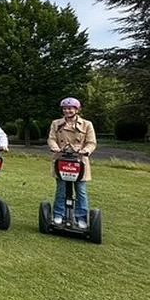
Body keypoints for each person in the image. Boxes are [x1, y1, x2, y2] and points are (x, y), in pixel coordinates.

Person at [47, 97, 97, 228]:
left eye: (70, 108)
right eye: (65, 109)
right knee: (61, 190)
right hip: (61, 159)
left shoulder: (86, 124)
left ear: (77, 110)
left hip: (79, 161)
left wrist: (85, 150)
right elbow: (51, 138)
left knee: (81, 191)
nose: (67, 111)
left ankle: (81, 218)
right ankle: (58, 214)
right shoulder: (56, 124)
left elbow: (91, 142)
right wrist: (55, 148)